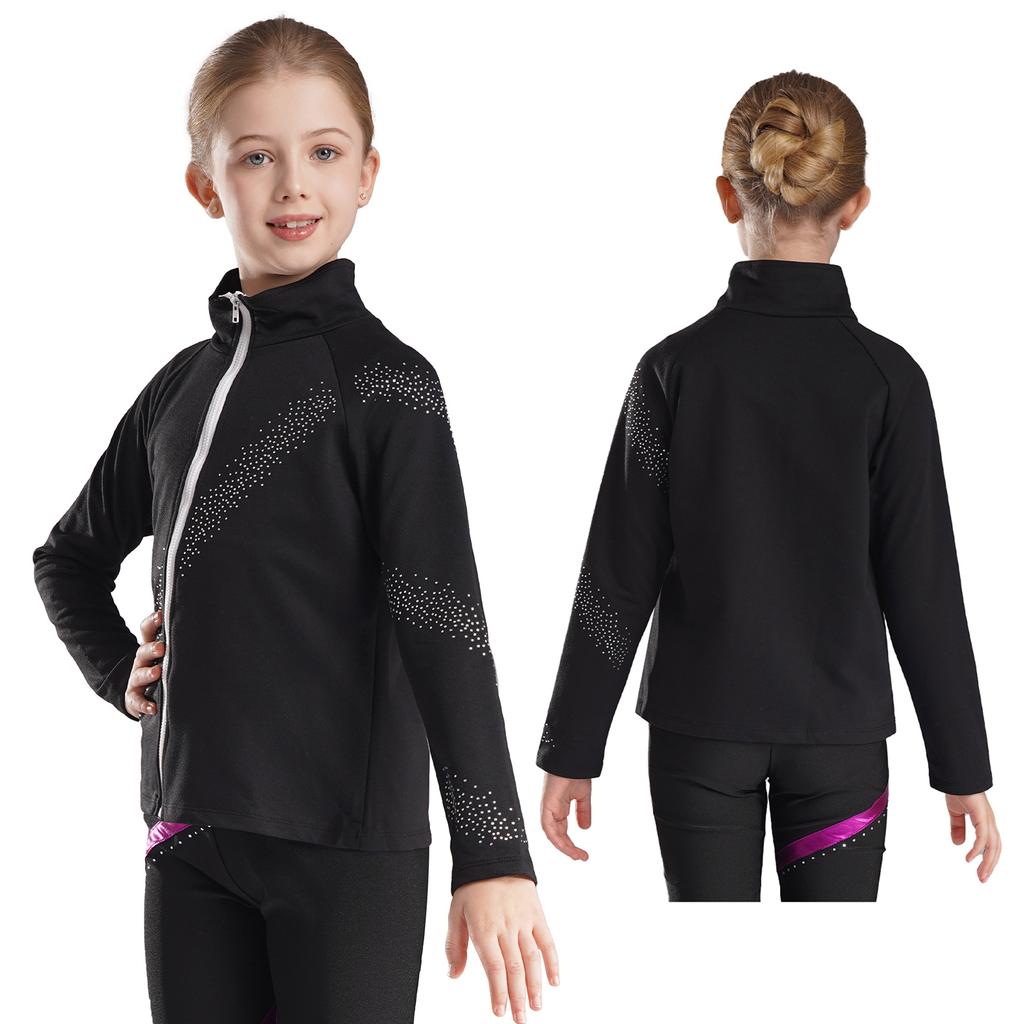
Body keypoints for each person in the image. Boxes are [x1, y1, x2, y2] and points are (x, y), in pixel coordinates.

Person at [33, 16, 555, 1022]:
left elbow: (443, 624)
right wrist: (119, 672)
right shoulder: (178, 390)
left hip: (344, 851)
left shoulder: (388, 387)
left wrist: (492, 853)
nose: (291, 186)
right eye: (255, 157)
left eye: (323, 153)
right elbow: (68, 557)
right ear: (206, 184)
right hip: (188, 838)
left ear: (367, 174)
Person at [535, 69, 1001, 902]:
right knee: (828, 971)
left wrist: (572, 748)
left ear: (728, 195)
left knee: (712, 967)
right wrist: (962, 767)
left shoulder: (673, 370)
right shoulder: (889, 381)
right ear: (856, 205)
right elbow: (923, 587)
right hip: (841, 749)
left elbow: (617, 572)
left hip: (699, 738)